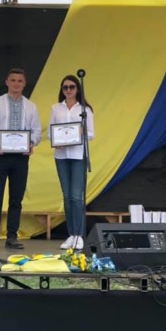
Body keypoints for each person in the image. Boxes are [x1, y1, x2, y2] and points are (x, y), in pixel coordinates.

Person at [0, 68, 41, 250]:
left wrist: (31, 143)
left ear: (24, 83)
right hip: (0, 155)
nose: (16, 84)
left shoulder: (31, 106)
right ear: (7, 82)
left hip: (21, 158)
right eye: (13, 80)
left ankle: (12, 237)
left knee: (16, 198)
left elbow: (36, 130)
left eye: (20, 81)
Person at [49, 74, 94, 251]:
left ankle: (79, 235)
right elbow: (50, 132)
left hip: (77, 155)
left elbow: (91, 134)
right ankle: (71, 234)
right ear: (62, 90)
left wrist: (80, 132)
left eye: (71, 87)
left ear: (77, 89)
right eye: (65, 87)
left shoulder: (85, 110)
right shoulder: (55, 108)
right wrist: (56, 140)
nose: (68, 90)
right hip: (61, 155)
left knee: (76, 196)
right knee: (67, 197)